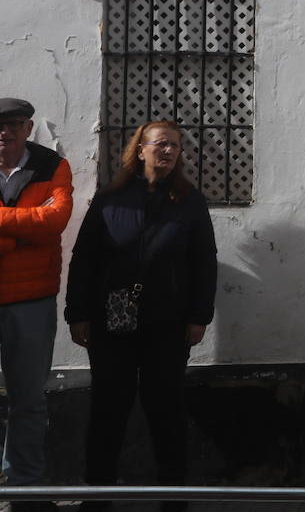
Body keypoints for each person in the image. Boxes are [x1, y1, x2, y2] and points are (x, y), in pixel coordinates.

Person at [65, 120, 217, 512]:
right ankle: (97, 498)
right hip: (112, 319)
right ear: (141, 149)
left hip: (168, 322)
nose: (169, 151)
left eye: (175, 146)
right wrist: (78, 313)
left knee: (166, 409)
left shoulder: (190, 201)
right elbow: (84, 259)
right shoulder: (110, 199)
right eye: (161, 144)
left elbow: (204, 261)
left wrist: (199, 316)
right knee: (108, 409)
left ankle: (174, 499)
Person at [0, 98, 73, 511]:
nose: (4, 132)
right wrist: (20, 236)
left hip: (31, 301)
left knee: (28, 401)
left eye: (13, 124)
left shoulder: (51, 166)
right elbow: (40, 224)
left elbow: (55, 220)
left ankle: (24, 491)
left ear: (28, 128)